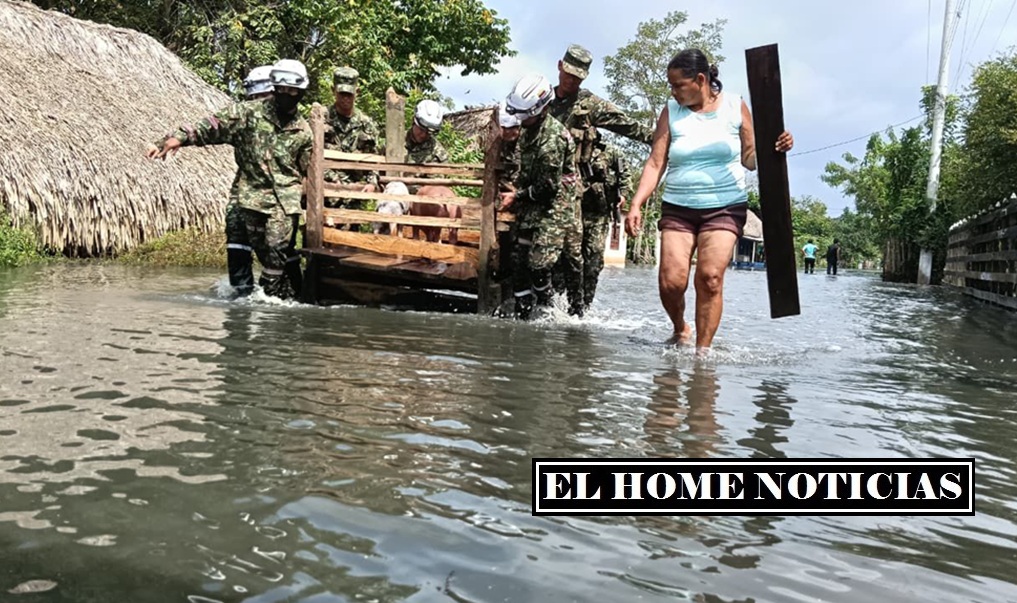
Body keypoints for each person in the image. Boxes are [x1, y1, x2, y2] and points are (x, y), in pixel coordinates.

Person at [624, 49, 794, 350]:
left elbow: (750, 158)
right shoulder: (670, 112)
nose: (673, 91)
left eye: (678, 85)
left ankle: (703, 355)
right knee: (671, 282)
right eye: (671, 86)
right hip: (678, 206)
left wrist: (774, 148)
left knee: (710, 277)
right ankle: (680, 329)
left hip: (725, 206)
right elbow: (655, 163)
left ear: (700, 79)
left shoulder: (733, 106)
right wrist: (636, 203)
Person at [146, 59, 313, 300]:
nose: (287, 94)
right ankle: (259, 298)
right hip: (251, 197)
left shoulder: (303, 130)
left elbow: (308, 169)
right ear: (275, 88)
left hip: (285, 201)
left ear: (301, 91)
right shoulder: (247, 114)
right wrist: (176, 139)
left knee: (278, 248)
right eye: (282, 89)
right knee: (254, 248)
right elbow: (212, 126)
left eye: (292, 90)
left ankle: (272, 295)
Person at [550, 44, 655, 314]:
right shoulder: (543, 103)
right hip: (553, 193)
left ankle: (581, 311)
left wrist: (662, 139)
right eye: (568, 73)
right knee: (559, 255)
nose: (571, 80)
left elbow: (629, 126)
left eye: (578, 77)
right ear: (560, 66)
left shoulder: (590, 104)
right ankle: (555, 307)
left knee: (592, 258)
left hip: (590, 196)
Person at [499, 74, 583, 319]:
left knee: (540, 263)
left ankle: (548, 309)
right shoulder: (528, 129)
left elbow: (547, 187)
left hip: (555, 206)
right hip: (530, 200)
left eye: (525, 114)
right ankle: (523, 312)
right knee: (518, 259)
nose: (520, 118)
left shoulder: (552, 141)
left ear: (541, 108)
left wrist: (517, 195)